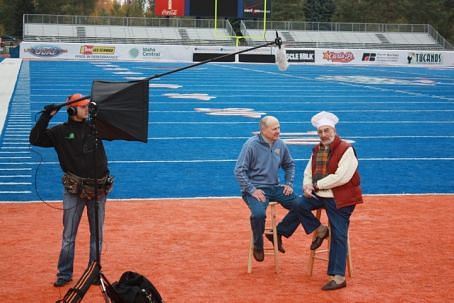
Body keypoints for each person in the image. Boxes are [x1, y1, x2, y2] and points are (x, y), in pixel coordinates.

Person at [29, 94, 113, 287]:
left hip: (99, 189)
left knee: (97, 234)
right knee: (69, 236)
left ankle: (94, 271)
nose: (87, 110)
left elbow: (116, 127)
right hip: (74, 191)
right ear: (72, 110)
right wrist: (46, 116)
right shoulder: (59, 132)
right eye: (83, 107)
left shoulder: (96, 128)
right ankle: (64, 274)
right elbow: (35, 139)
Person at [273, 111, 363, 290]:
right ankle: (320, 229)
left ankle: (338, 276)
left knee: (339, 233)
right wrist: (307, 186)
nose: (323, 135)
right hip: (321, 194)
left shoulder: (347, 149)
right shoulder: (317, 149)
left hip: (341, 197)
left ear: (334, 130)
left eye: (326, 131)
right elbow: (308, 171)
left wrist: (316, 185)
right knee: (298, 203)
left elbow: (341, 178)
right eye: (320, 132)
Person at [234, 116, 301, 262]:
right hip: (256, 189)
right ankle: (258, 245)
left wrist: (289, 183)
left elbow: (289, 164)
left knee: (301, 205)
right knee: (258, 215)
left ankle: (278, 232)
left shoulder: (280, 144)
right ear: (263, 130)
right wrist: (252, 190)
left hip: (275, 187)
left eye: (279, 127)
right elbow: (239, 170)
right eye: (274, 129)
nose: (278, 131)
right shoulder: (251, 145)